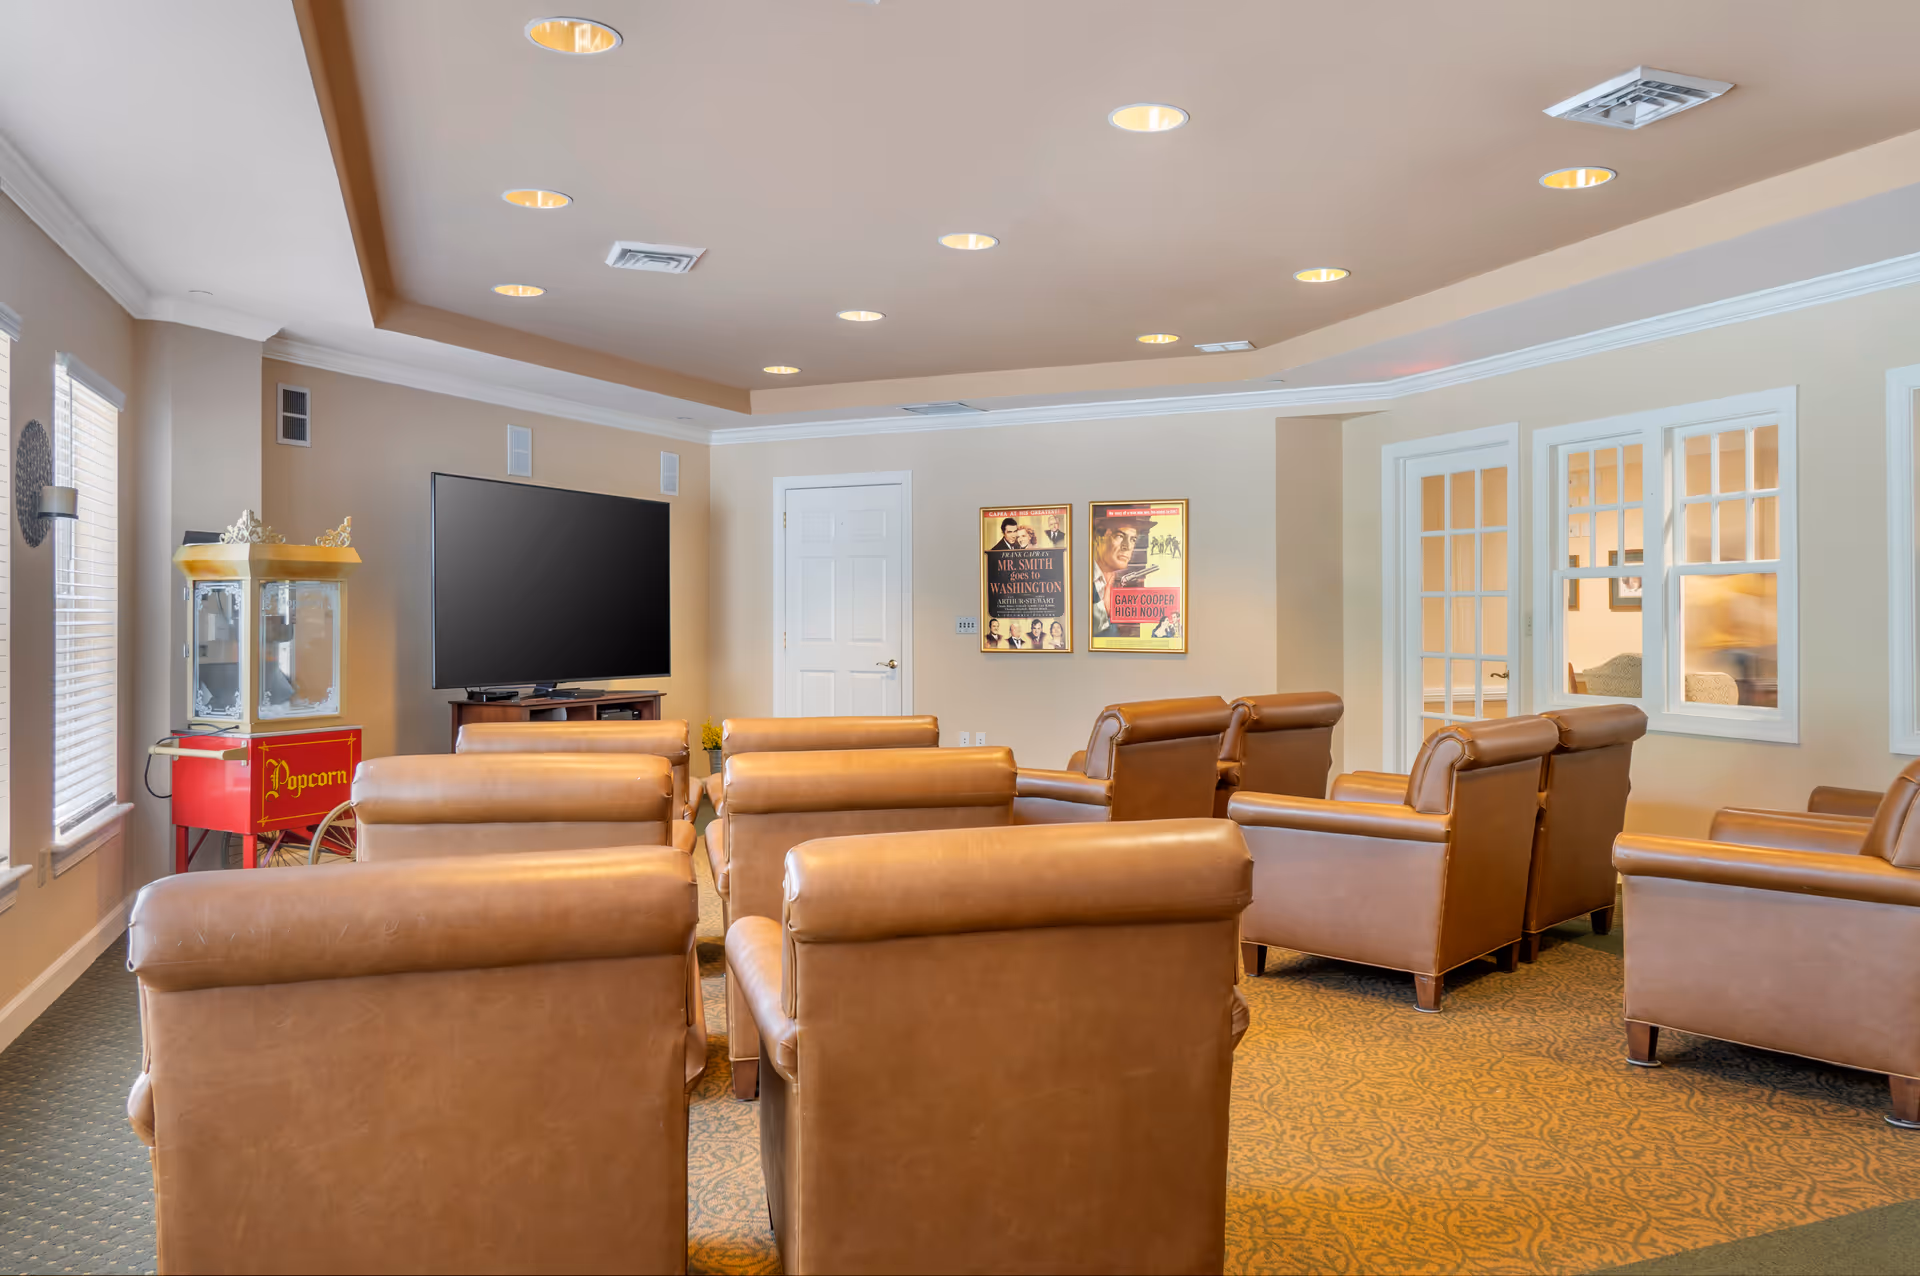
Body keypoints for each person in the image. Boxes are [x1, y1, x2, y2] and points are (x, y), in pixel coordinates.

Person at [1091, 510, 1156, 638]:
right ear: (1098, 538)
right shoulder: (1087, 581)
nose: (1127, 546)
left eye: (1132, 539)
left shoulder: (1115, 584)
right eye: (1119, 536)